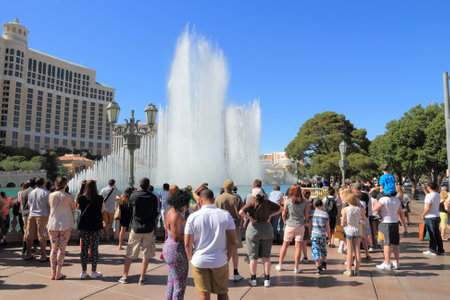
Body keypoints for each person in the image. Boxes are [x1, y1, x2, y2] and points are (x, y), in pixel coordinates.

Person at [185, 185, 236, 300]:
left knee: (204, 294)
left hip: (200, 260)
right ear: (213, 200)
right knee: (222, 292)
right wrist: (227, 258)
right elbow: (232, 242)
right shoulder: (225, 215)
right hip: (219, 259)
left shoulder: (192, 217)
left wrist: (190, 257)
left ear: (201, 200)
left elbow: (187, 243)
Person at [239, 187, 282, 287]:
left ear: (253, 196)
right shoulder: (268, 203)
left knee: (253, 257)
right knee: (266, 257)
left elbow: (240, 212)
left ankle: (253, 279)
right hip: (267, 230)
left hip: (253, 230)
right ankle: (267, 279)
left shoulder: (250, 203)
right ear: (263, 195)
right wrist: (271, 216)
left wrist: (249, 218)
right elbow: (281, 209)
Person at [119, 177, 159, 285]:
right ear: (148, 185)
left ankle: (125, 276)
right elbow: (155, 212)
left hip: (136, 227)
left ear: (140, 186)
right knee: (147, 254)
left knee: (130, 251)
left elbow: (130, 209)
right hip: (148, 228)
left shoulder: (134, 196)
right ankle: (142, 278)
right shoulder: (153, 197)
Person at [162, 189, 190, 300]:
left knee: (171, 281)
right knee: (179, 284)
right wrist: (191, 236)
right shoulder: (176, 216)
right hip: (177, 252)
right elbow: (177, 237)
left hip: (169, 249)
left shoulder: (170, 212)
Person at [215, 179, 244, 282]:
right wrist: (240, 224)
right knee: (234, 251)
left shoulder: (218, 198)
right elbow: (241, 213)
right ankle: (235, 273)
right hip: (234, 227)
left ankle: (222, 273)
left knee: (222, 250)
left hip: (221, 227)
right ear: (233, 187)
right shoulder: (237, 198)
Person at [275, 184, 309, 273]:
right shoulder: (304, 202)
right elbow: (306, 216)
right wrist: (304, 222)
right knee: (298, 247)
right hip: (300, 225)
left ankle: (280, 265)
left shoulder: (288, 201)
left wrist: (285, 221)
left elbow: (283, 213)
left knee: (285, 245)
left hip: (290, 225)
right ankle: (296, 267)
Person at [47, 177, 76, 280]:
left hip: (53, 223)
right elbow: (73, 208)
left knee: (53, 248)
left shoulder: (51, 195)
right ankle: (58, 273)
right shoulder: (69, 196)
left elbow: (50, 206)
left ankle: (52, 273)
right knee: (61, 249)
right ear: (65, 184)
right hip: (65, 224)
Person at [373, 190, 408, 270]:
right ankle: (396, 262)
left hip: (386, 223)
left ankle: (387, 263)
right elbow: (400, 211)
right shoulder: (397, 200)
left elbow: (374, 209)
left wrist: (376, 201)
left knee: (386, 244)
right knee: (395, 243)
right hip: (395, 222)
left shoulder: (383, 199)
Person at [77, 180, 104, 279]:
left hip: (84, 226)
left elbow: (78, 209)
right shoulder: (100, 198)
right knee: (94, 248)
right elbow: (102, 210)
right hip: (96, 226)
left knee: (84, 249)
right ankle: (94, 271)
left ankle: (83, 272)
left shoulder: (81, 198)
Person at [341, 193, 367, 276]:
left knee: (349, 251)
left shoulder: (345, 209)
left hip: (348, 230)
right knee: (357, 250)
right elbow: (365, 219)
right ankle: (357, 269)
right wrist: (359, 218)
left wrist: (343, 223)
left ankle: (348, 270)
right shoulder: (360, 209)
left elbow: (342, 222)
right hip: (357, 229)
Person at [25, 177, 50, 262]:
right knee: (42, 237)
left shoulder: (32, 192)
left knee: (29, 236)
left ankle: (28, 254)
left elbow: (29, 205)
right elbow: (49, 206)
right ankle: (43, 255)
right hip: (43, 215)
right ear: (43, 183)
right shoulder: (46, 193)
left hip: (31, 215)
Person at [421, 182, 445, 255]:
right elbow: (429, 195)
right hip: (437, 216)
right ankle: (440, 250)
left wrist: (423, 214)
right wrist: (424, 189)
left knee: (431, 234)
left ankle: (432, 250)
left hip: (430, 217)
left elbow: (428, 207)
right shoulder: (437, 195)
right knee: (437, 233)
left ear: (429, 188)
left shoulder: (429, 196)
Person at [309, 198, 330, 275]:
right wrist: (329, 237)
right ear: (322, 205)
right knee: (323, 249)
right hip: (322, 235)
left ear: (314, 205)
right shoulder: (325, 214)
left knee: (316, 251)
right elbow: (328, 227)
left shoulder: (311, 213)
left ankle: (318, 267)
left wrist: (309, 235)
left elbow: (310, 226)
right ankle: (324, 264)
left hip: (314, 235)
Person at [21, 178, 36, 254]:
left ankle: (24, 249)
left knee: (26, 231)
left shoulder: (23, 192)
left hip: (24, 213)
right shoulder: (32, 192)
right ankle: (28, 250)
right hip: (30, 213)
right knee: (30, 233)